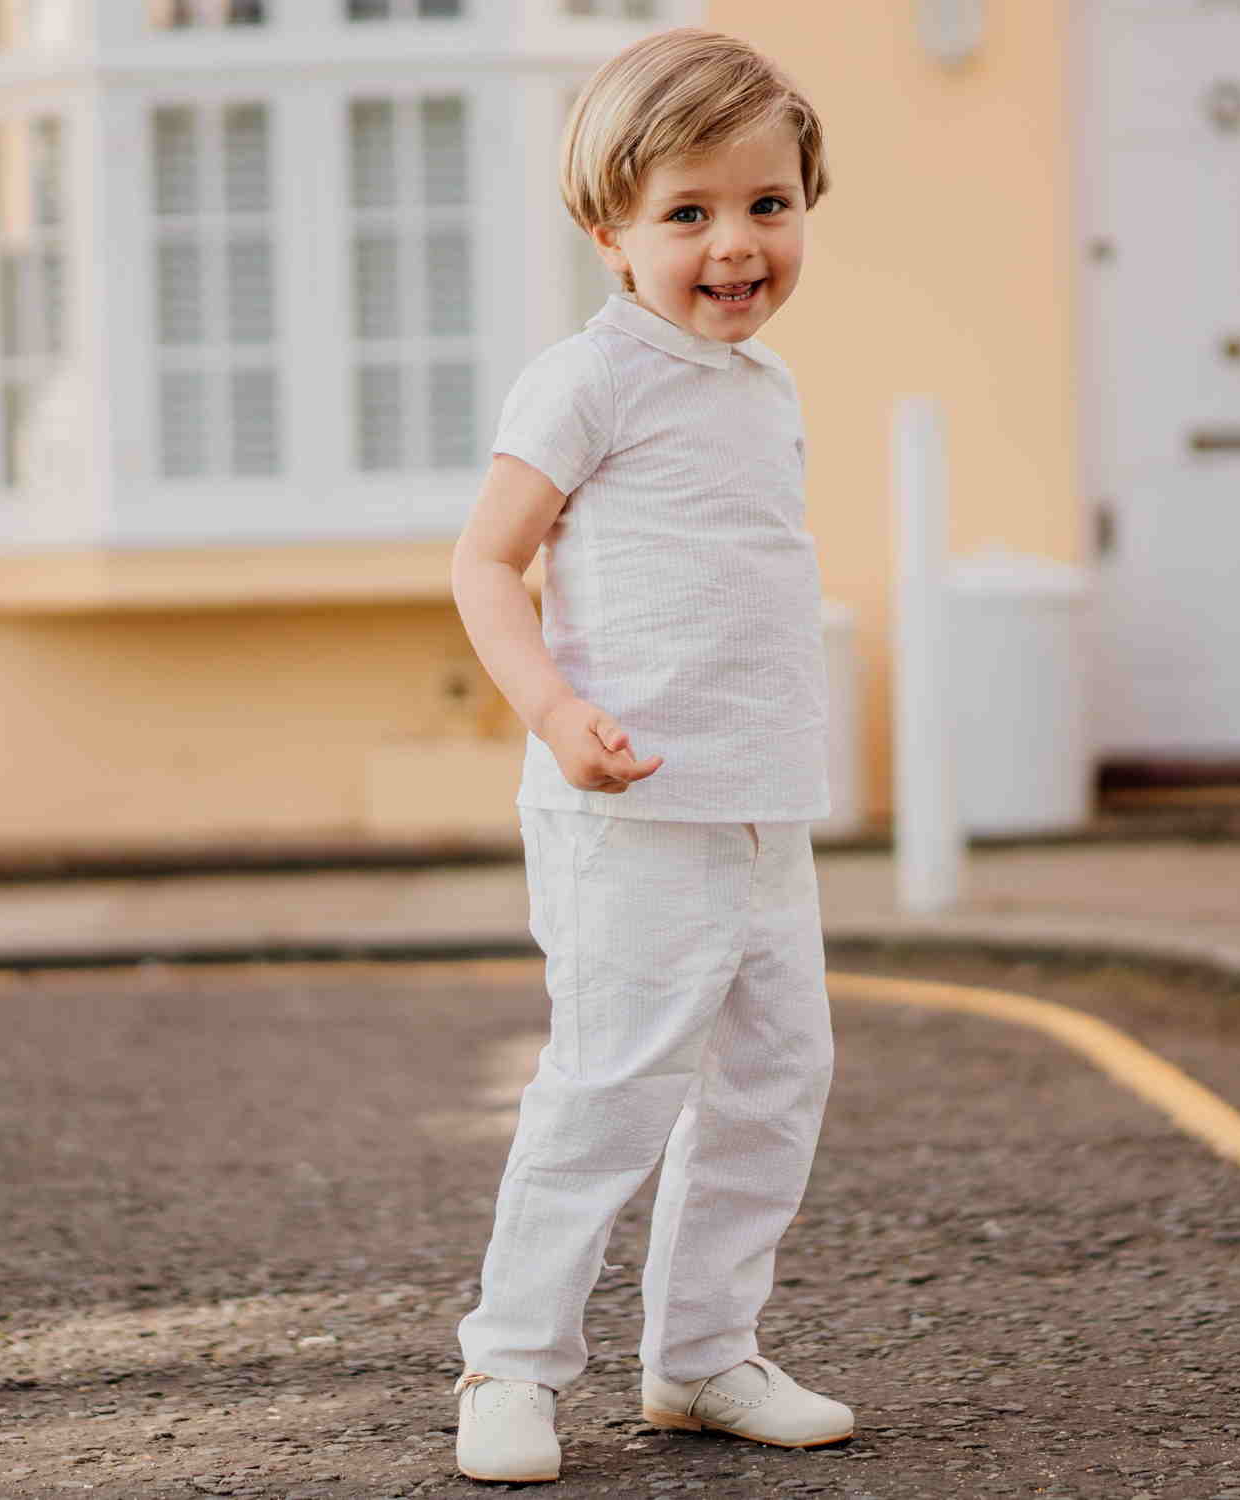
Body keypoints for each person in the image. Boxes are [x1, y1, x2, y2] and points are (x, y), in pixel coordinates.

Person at [446, 24, 850, 1485]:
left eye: (767, 205)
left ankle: (699, 1357)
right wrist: (558, 715)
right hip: (626, 811)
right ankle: (511, 1362)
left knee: (775, 1080)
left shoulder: (769, 387)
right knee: (609, 1086)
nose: (733, 245)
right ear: (610, 232)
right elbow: (488, 566)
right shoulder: (588, 379)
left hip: (759, 813)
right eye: (687, 214)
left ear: (806, 204)